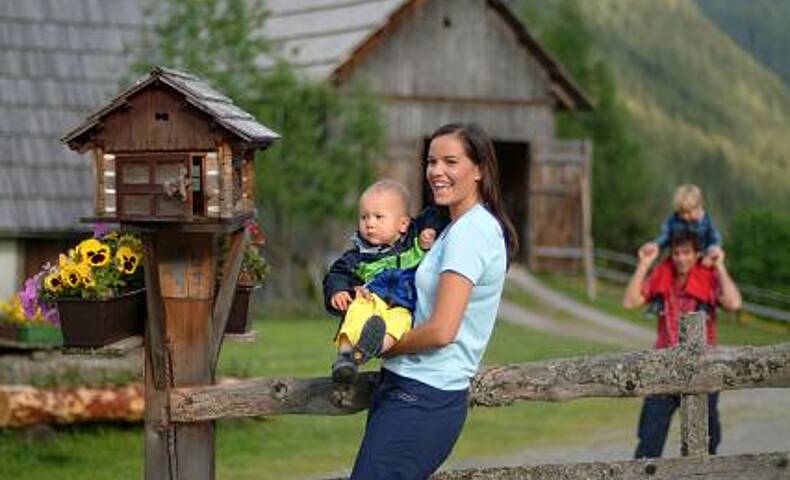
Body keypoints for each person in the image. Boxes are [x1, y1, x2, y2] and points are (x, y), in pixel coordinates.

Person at [349, 123, 519, 479]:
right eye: (431, 161)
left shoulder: (471, 232)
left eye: (450, 162)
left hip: (424, 395)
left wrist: (384, 345)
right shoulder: (453, 228)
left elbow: (443, 330)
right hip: (406, 386)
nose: (436, 172)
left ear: (480, 170)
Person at [623, 229, 742, 458]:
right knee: (648, 441)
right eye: (676, 253)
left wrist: (719, 266)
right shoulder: (662, 274)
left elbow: (734, 302)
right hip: (663, 367)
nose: (680, 258)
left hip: (703, 369)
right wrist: (644, 263)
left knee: (705, 444)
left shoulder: (708, 278)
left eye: (686, 253)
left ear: (697, 254)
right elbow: (630, 301)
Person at [323, 179, 448, 383]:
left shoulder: (414, 242)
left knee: (401, 323)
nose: (369, 224)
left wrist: (430, 229)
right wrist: (338, 291)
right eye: (364, 217)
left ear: (403, 224)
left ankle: (369, 348)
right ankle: (344, 356)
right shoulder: (359, 255)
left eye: (378, 217)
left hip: (403, 304)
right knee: (357, 310)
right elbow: (337, 273)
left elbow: (435, 212)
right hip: (372, 299)